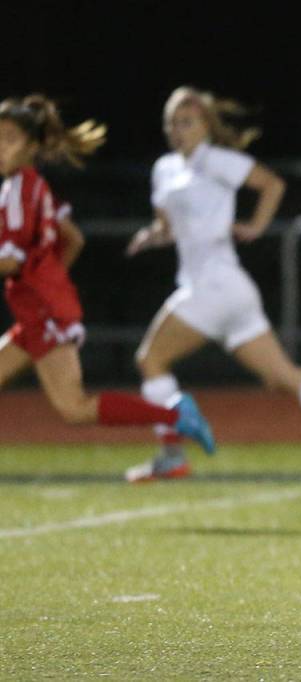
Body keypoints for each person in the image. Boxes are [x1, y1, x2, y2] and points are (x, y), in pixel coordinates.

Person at [124, 86, 301, 482]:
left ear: (206, 126)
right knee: (282, 376)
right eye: (173, 123)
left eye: (188, 122)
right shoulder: (165, 169)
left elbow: (271, 184)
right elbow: (170, 229)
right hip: (228, 290)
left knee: (151, 360)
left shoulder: (216, 160)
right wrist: (151, 236)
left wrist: (257, 226)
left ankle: (171, 454)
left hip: (212, 286)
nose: (179, 130)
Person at [0, 94, 215, 452]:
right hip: (37, 307)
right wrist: (49, 279)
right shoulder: (29, 184)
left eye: (9, 139)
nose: (0, 147)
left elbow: (9, 262)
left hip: (43, 313)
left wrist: (43, 284)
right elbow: (73, 238)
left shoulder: (16, 193)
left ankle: (174, 415)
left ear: (32, 146)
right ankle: (174, 417)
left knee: (75, 408)